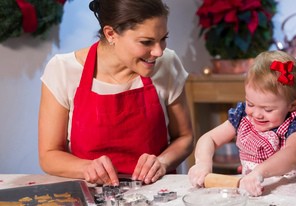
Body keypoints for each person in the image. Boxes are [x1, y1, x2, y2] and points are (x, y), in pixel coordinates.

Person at [38, 0, 193, 186]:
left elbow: (185, 137)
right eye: (146, 42)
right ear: (111, 34)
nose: (159, 51)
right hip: (90, 193)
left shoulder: (168, 64)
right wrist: (86, 167)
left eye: (163, 38)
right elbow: (49, 155)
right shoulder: (63, 70)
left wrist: (163, 161)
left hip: (156, 192)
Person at [188, 50, 296, 196]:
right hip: (257, 192)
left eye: (268, 109)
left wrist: (259, 172)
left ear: (293, 105)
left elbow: (293, 156)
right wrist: (203, 163)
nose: (256, 114)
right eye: (250, 104)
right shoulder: (242, 117)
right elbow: (209, 138)